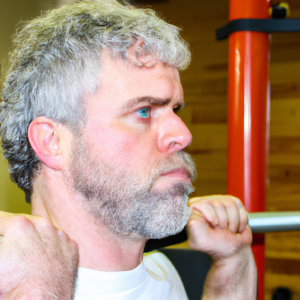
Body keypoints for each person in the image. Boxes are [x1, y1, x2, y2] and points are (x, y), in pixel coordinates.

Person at [0, 1, 257, 299]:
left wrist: (233, 263)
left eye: (175, 110)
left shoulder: (165, 273)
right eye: (144, 111)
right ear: (51, 142)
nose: (183, 135)